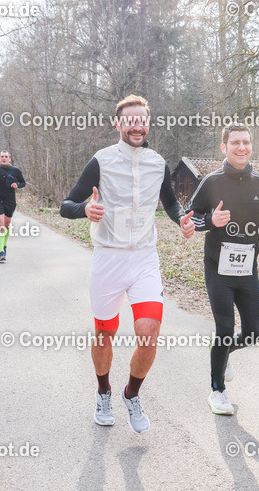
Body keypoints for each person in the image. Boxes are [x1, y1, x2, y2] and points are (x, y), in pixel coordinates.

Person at [60, 95, 195, 434]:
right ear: (118, 124)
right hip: (108, 259)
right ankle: (103, 391)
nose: (137, 125)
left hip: (144, 259)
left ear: (148, 124)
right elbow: (67, 204)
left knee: (149, 334)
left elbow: (169, 203)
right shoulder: (101, 161)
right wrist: (84, 211)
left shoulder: (157, 162)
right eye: (130, 120)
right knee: (104, 333)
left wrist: (181, 220)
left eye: (142, 120)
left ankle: (131, 394)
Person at [187, 123, 259, 415]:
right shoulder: (211, 181)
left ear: (250, 146)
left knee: (254, 332)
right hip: (217, 267)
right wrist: (210, 222)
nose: (241, 147)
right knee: (225, 328)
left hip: (247, 269)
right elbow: (189, 219)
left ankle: (222, 353)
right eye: (235, 143)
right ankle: (217, 391)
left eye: (245, 142)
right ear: (224, 147)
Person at [0, 152, 26, 262]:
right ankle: (1, 251)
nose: (4, 158)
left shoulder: (15, 170)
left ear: (9, 159)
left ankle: (4, 245)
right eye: (2, 156)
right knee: (0, 222)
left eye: (6, 156)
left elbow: (23, 182)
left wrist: (17, 185)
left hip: (10, 200)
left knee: (6, 225)